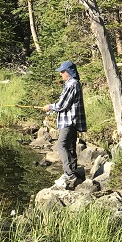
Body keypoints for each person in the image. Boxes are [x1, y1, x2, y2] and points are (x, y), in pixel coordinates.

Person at [42, 60, 87, 189]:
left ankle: (68, 173)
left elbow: (62, 105)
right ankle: (73, 172)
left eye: (63, 71)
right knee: (71, 147)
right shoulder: (72, 83)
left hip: (69, 121)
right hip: (71, 121)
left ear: (69, 72)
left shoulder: (72, 84)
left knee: (61, 145)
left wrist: (50, 106)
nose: (61, 74)